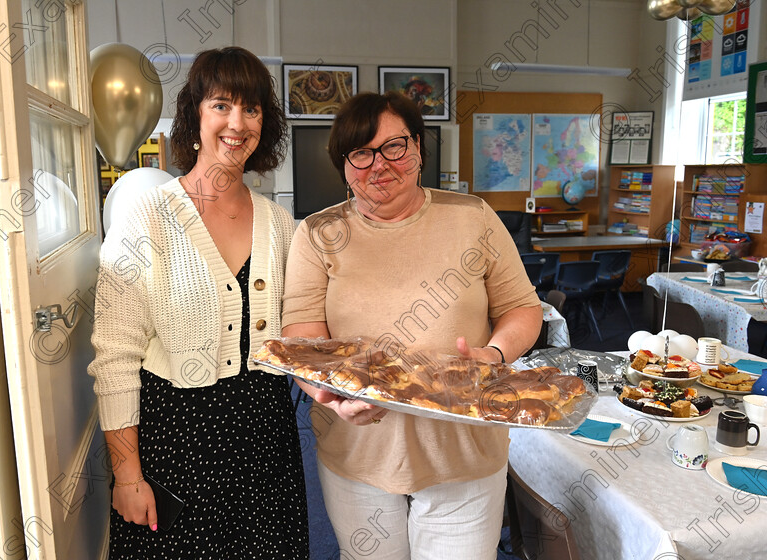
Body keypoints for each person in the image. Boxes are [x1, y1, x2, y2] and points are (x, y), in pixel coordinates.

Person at [281, 91, 542, 559]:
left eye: (394, 146)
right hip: (357, 448)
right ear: (343, 166)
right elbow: (302, 334)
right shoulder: (318, 233)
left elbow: (523, 309)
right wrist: (330, 390)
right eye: (361, 153)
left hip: (463, 449)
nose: (379, 165)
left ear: (418, 148)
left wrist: (495, 355)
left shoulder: (473, 218)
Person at [88, 47, 308, 559]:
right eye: (222, 105)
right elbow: (115, 358)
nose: (238, 122)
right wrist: (127, 475)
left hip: (266, 446)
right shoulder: (146, 217)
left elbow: (301, 333)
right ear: (195, 114)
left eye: (251, 109)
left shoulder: (279, 224)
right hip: (179, 446)